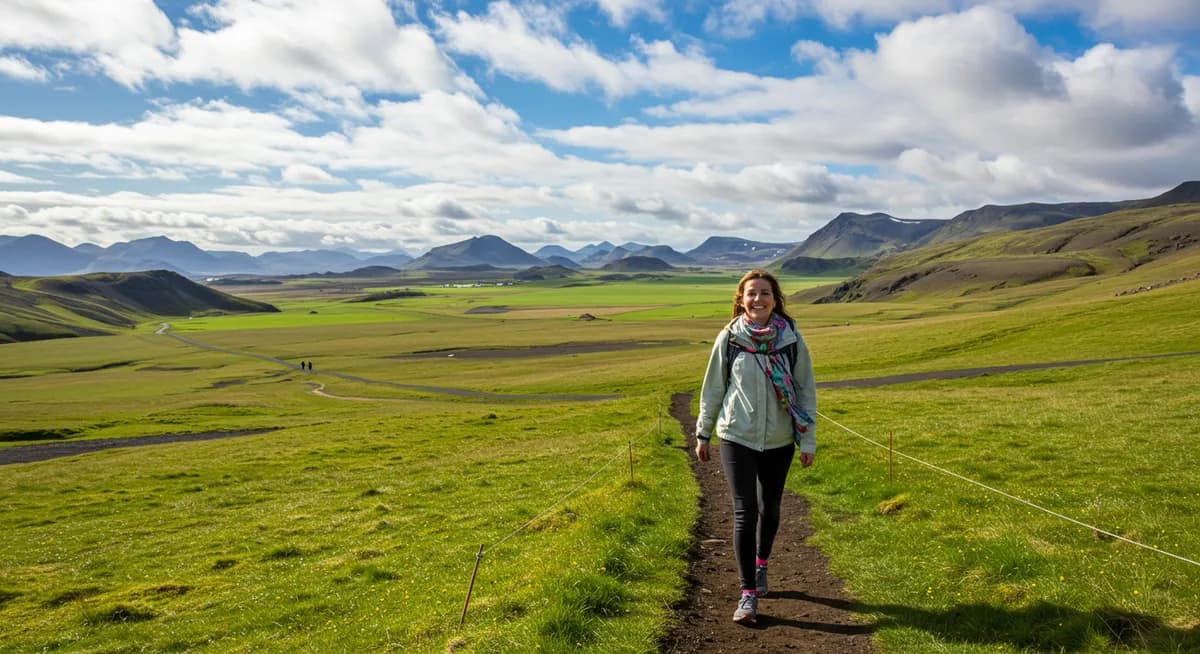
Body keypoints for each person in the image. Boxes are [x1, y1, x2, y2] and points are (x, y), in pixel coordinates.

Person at [695, 269, 817, 625]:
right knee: (745, 511)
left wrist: (806, 438)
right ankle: (747, 593)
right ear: (741, 298)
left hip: (779, 439)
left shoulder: (791, 339)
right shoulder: (730, 339)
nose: (758, 299)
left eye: (764, 293)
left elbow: (805, 389)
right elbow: (713, 388)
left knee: (771, 508)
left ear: (775, 299)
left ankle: (762, 563)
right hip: (736, 435)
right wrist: (704, 433)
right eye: (751, 293)